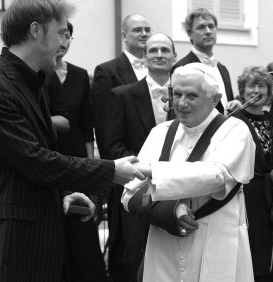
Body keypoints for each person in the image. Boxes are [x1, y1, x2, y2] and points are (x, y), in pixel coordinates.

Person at [0, 1, 144, 281]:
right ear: (36, 31)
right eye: (60, 33)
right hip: (9, 244)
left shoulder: (32, 83)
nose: (64, 42)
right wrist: (110, 170)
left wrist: (64, 195)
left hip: (37, 240)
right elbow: (34, 160)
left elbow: (26, 165)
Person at [121, 62, 256, 282]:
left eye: (192, 96)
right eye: (177, 94)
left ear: (215, 99)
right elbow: (129, 195)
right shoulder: (159, 132)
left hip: (218, 238)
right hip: (164, 241)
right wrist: (167, 212)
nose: (181, 103)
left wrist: (151, 170)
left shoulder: (235, 130)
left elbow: (216, 176)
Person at [104, 32, 177, 282]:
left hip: (178, 192)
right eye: (153, 50)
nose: (159, 54)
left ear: (174, 57)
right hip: (138, 191)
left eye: (165, 50)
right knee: (134, 258)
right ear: (144, 57)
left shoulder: (188, 98)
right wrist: (146, 172)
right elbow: (113, 146)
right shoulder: (121, 95)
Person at [90, 14, 152, 281]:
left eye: (148, 29)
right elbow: (105, 127)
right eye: (138, 30)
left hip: (159, 169)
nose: (144, 34)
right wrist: (117, 166)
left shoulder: (163, 70)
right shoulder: (108, 71)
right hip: (125, 167)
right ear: (124, 35)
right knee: (127, 245)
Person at [46, 21, 109, 282]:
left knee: (79, 224)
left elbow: (86, 125)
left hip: (74, 156)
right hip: (44, 152)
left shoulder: (81, 74)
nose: (63, 41)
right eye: (59, 34)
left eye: (67, 35)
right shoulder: (37, 74)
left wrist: (88, 168)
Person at [235, 66, 273, 282]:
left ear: (269, 93)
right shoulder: (235, 121)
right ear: (242, 91)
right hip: (248, 193)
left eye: (262, 86)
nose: (256, 90)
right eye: (251, 85)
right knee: (255, 247)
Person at [172, 8, 236, 115]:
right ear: (190, 34)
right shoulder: (181, 67)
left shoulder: (223, 69)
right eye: (201, 27)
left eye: (211, 26)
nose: (208, 31)